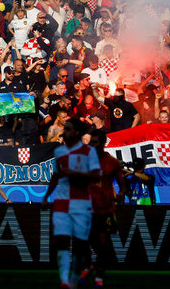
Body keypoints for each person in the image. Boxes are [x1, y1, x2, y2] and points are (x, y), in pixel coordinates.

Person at [44, 118, 101, 289]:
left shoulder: (88, 151)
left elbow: (96, 175)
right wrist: (46, 196)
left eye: (67, 129)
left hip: (81, 202)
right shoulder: (59, 151)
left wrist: (75, 174)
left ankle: (74, 279)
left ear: (76, 132)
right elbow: (56, 175)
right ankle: (64, 281)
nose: (64, 132)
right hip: (61, 201)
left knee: (79, 245)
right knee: (62, 240)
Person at [85, 128, 125, 287]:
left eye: (94, 142)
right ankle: (93, 266)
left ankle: (99, 277)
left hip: (105, 209)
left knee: (102, 243)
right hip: (88, 208)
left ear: (101, 143)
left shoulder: (113, 162)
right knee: (88, 240)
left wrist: (121, 194)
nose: (92, 145)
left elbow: (122, 185)